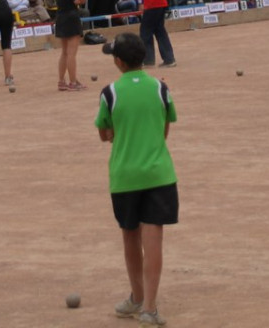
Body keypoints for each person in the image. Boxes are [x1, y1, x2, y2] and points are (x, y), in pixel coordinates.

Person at [95, 32, 178, 326]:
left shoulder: (109, 93)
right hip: (159, 172)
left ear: (118, 62)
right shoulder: (160, 88)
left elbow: (105, 134)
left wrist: (119, 134)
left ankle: (137, 297)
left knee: (130, 235)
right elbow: (166, 128)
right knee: (154, 237)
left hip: (125, 175)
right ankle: (150, 308)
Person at [53, 0, 87, 91]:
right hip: (71, 17)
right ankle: (73, 82)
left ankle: (62, 81)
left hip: (60, 17)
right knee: (72, 53)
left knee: (64, 53)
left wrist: (75, 0)